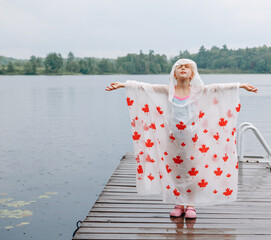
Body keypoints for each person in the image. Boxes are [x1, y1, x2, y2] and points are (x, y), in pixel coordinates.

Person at [105, 59, 258, 219]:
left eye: (187, 67)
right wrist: (124, 84)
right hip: (173, 140)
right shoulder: (168, 91)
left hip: (193, 140)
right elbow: (146, 88)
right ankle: (178, 203)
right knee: (176, 171)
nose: (183, 68)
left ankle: (190, 204)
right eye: (179, 67)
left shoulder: (199, 91)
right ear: (174, 74)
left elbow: (218, 88)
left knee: (192, 171)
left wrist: (240, 85)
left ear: (192, 74)